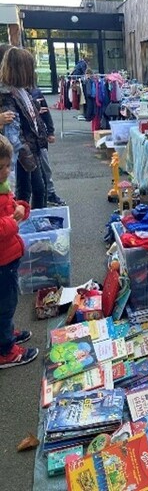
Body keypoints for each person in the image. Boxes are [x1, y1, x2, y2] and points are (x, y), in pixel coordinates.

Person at [0, 134, 39, 368]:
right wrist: (14, 220)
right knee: (5, 304)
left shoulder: (3, 187)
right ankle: (5, 351)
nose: (6, 172)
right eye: (0, 167)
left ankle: (6, 334)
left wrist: (22, 208)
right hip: (2, 260)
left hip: (8, 256)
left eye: (7, 166)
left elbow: (12, 206)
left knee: (7, 302)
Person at [0, 47, 48, 208]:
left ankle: (28, 221)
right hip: (23, 152)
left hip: (31, 148)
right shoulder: (6, 94)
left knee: (30, 189)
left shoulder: (21, 91)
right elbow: (14, 134)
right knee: (33, 189)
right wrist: (28, 159)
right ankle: (32, 223)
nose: (32, 72)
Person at [31, 87, 66, 206]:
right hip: (24, 141)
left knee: (45, 168)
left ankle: (50, 194)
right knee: (27, 175)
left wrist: (50, 131)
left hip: (40, 137)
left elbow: (46, 113)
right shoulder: (11, 93)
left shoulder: (36, 92)